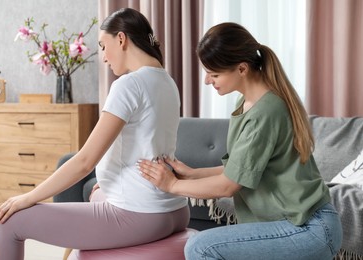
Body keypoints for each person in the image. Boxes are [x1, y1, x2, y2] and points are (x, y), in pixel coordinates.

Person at [0, 8, 189, 260]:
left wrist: (28, 197)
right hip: (175, 210)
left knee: (10, 221)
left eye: (103, 47)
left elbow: (85, 161)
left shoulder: (129, 85)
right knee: (96, 190)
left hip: (138, 215)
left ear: (121, 39)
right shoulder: (167, 82)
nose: (103, 57)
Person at [138, 22, 343, 260]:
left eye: (214, 74)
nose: (207, 81)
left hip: (309, 228)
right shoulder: (246, 104)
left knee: (200, 247)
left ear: (242, 69)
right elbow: (240, 169)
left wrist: (172, 185)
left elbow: (229, 186)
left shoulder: (266, 112)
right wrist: (193, 173)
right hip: (298, 224)